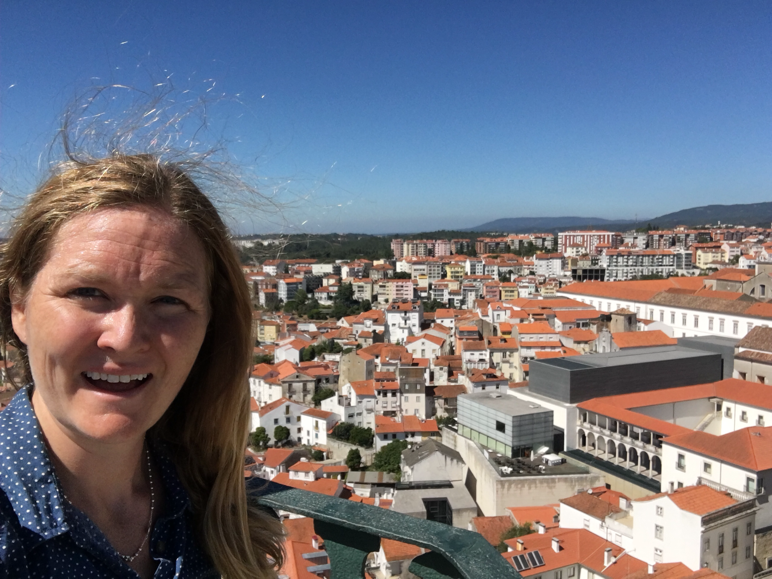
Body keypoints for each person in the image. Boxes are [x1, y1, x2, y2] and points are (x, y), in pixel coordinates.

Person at [0, 154, 285, 578]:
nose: (126, 337)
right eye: (88, 291)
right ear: (19, 307)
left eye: (168, 300)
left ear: (210, 324)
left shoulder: (209, 506)